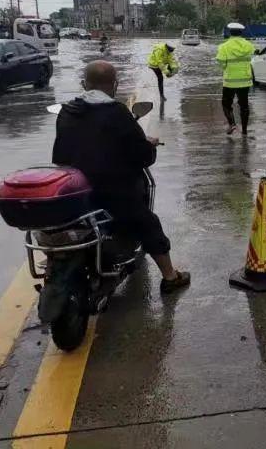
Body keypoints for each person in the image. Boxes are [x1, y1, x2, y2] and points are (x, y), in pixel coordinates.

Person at [52, 60, 190, 294]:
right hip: (111, 191)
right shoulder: (117, 112)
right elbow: (142, 155)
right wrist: (149, 146)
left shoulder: (67, 111)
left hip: (72, 190)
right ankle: (170, 277)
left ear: (84, 84)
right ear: (114, 85)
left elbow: (61, 153)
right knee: (147, 223)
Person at [216, 22, 253, 135]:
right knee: (244, 105)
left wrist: (226, 67)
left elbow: (221, 63)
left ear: (230, 32)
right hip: (245, 81)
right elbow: (251, 59)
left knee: (226, 104)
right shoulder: (249, 45)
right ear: (241, 32)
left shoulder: (224, 47)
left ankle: (232, 124)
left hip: (230, 82)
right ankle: (245, 131)